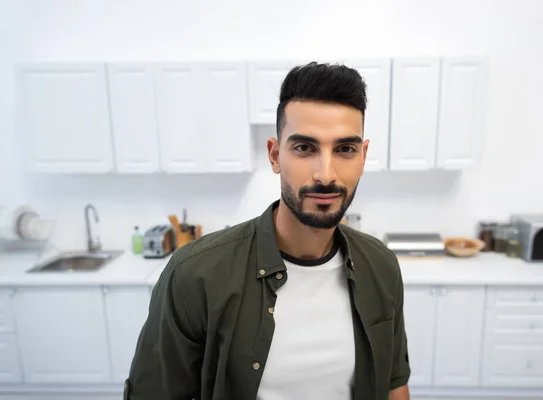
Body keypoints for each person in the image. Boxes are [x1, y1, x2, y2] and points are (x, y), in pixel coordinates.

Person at [125, 62, 411, 400]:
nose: (325, 174)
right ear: (275, 155)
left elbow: (394, 384)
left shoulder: (381, 265)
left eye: (344, 149)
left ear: (363, 157)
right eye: (304, 148)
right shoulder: (195, 275)